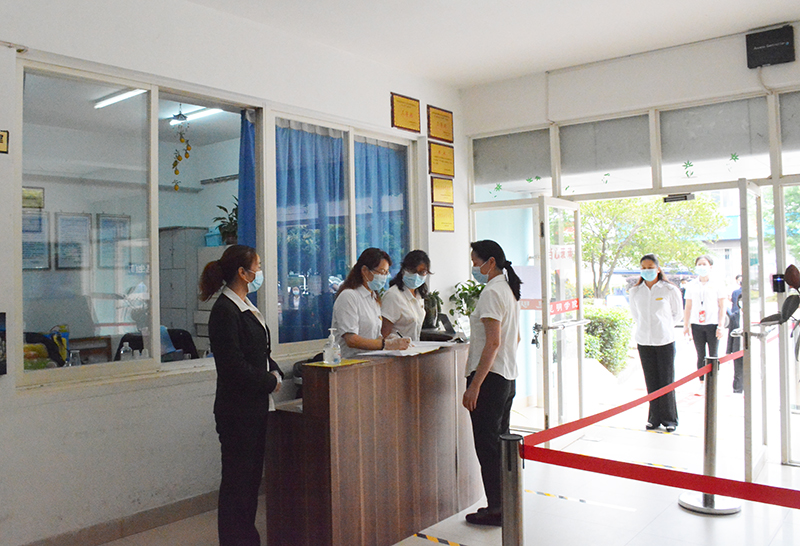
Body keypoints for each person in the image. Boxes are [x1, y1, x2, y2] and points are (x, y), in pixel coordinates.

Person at [199, 245, 283, 546]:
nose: (260, 272)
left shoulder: (245, 305)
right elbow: (232, 366)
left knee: (249, 484)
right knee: (237, 485)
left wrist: (275, 371)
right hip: (237, 412)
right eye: (257, 266)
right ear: (242, 273)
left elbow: (259, 352)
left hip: (255, 408)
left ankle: (247, 538)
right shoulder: (225, 310)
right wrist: (268, 381)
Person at [462, 240, 521, 527]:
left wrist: (475, 386)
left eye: (476, 262)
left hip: (489, 379)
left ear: (491, 262)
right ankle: (504, 505)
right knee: (499, 446)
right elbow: (514, 339)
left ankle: (496, 508)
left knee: (488, 448)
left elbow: (493, 343)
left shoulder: (492, 292)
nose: (474, 267)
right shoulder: (507, 290)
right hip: (506, 377)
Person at [629, 254, 683, 432]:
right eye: (643, 268)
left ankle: (670, 419)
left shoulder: (669, 290)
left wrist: (664, 327)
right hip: (644, 341)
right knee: (651, 380)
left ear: (658, 269)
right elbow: (636, 315)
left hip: (664, 340)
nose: (647, 271)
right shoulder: (635, 291)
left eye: (650, 267)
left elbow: (677, 314)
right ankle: (654, 418)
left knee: (666, 381)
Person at [331, 247, 410, 358]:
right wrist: (385, 344)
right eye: (382, 272)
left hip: (371, 360)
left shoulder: (373, 298)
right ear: (365, 271)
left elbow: (374, 336)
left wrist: (391, 340)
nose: (384, 277)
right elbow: (351, 340)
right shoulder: (349, 296)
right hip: (350, 361)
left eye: (386, 273)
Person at [683, 255, 727, 382]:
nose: (702, 267)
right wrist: (686, 326)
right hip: (696, 324)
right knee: (700, 354)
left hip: (713, 323)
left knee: (713, 353)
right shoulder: (691, 285)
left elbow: (722, 306)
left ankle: (713, 380)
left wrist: (721, 326)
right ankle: (701, 380)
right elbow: (688, 307)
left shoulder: (718, 283)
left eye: (704, 264)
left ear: (710, 267)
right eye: (699, 264)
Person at [380, 250, 431, 341]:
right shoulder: (393, 295)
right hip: (395, 348)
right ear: (403, 270)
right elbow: (383, 334)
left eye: (422, 272)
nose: (416, 276)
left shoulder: (418, 295)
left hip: (414, 347)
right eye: (412, 271)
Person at [727, 274, 744, 393]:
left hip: (749, 346)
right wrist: (729, 351)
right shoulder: (735, 316)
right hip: (737, 347)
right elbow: (731, 334)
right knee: (737, 370)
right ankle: (737, 389)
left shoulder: (755, 316)